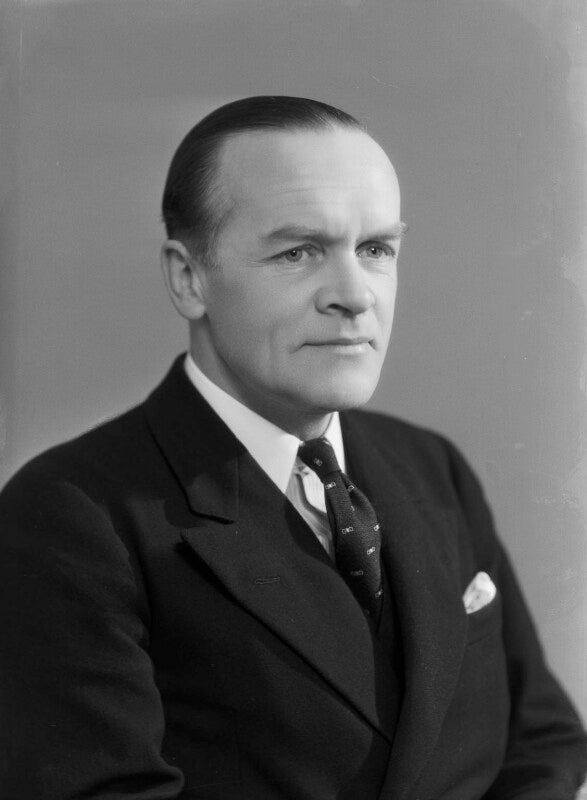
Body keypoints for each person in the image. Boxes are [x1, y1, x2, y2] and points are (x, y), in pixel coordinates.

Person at [0, 95, 585, 800]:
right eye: (298, 252)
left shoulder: (432, 468)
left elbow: (542, 740)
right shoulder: (71, 517)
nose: (354, 296)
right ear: (189, 278)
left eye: (375, 249)